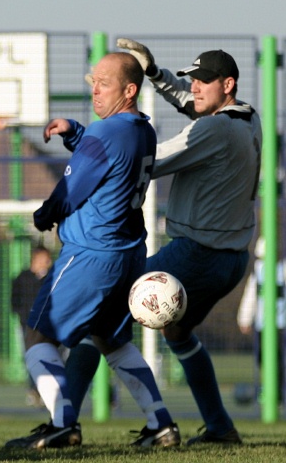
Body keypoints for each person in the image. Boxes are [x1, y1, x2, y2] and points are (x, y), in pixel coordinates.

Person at [5, 52, 179, 450]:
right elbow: (109, 158)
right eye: (93, 81)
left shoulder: (106, 133)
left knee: (37, 336)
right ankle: (161, 424)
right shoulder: (141, 130)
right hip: (128, 253)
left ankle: (63, 424)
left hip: (91, 254)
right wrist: (75, 132)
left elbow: (70, 191)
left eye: (104, 82)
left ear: (129, 89)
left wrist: (45, 214)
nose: (95, 89)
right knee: (112, 341)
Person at [108, 39, 261, 445]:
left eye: (204, 82)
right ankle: (220, 427)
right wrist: (156, 74)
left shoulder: (213, 129)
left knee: (104, 309)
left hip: (196, 253)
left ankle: (68, 421)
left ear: (228, 84)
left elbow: (147, 161)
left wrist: (88, 149)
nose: (194, 88)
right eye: (192, 79)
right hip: (231, 261)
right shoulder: (249, 117)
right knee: (178, 335)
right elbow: (191, 105)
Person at [237, 236, 286, 404]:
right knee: (263, 358)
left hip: (280, 325)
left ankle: (279, 392)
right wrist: (244, 318)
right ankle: (273, 390)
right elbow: (250, 298)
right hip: (262, 325)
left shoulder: (282, 269)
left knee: (280, 360)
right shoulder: (258, 273)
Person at [10, 245, 52, 407]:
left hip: (49, 326)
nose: (47, 262)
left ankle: (49, 391)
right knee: (32, 358)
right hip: (28, 326)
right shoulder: (22, 278)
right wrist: (23, 316)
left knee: (52, 358)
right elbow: (15, 301)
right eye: (44, 259)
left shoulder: (52, 277)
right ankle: (34, 390)